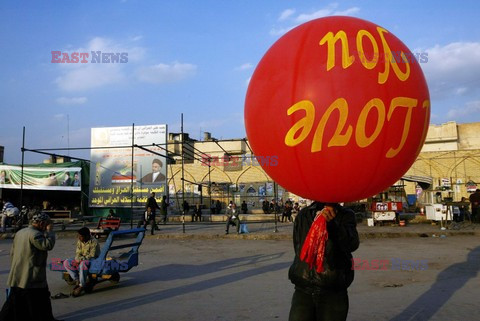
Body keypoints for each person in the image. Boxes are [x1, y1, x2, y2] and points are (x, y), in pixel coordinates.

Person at [288, 202, 359, 321]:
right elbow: (298, 246)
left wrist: (332, 225)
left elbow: (352, 244)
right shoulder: (304, 214)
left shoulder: (345, 215)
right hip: (303, 288)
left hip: (333, 289)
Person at [0, 212, 62, 321]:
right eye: (46, 224)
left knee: (15, 299)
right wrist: (50, 231)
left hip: (19, 272)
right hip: (31, 274)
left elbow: (12, 252)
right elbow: (47, 245)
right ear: (42, 223)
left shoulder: (20, 232)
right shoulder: (35, 234)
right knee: (39, 299)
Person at [63, 227, 100, 297]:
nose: (79, 238)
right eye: (78, 236)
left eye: (81, 236)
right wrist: (77, 260)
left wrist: (80, 260)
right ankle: (77, 280)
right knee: (66, 262)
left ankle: (82, 285)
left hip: (93, 260)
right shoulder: (80, 241)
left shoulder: (94, 242)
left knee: (83, 264)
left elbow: (91, 255)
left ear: (87, 236)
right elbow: (78, 253)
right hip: (82, 258)